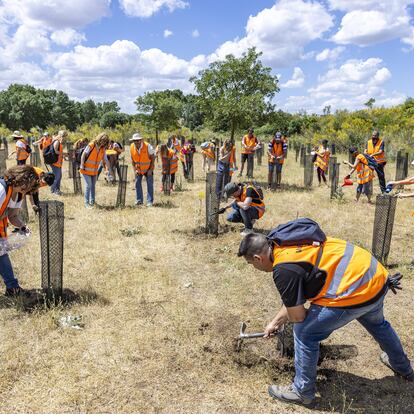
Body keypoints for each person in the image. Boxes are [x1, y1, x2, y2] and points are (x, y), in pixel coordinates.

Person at [237, 220, 413, 408]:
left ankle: (302, 391)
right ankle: (403, 367)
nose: (253, 267)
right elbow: (296, 299)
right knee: (378, 324)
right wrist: (275, 322)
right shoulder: (282, 239)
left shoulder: (283, 269)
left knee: (305, 332)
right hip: (374, 275)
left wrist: (284, 319)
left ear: (258, 258)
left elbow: (297, 316)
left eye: (250, 263)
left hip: (356, 289)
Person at [0, 165, 40, 296]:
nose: (29, 188)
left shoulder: (18, 195)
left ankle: (12, 288)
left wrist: (23, 227)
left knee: (2, 255)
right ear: (20, 178)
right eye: (28, 183)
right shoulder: (2, 190)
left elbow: (13, 216)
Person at [80, 132, 111, 208]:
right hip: (85, 170)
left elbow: (106, 160)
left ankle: (92, 201)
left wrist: (107, 170)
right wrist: (82, 165)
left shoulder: (103, 149)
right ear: (99, 139)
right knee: (88, 185)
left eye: (105, 141)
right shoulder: (92, 145)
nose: (103, 142)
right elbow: (83, 154)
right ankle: (86, 203)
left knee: (93, 186)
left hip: (94, 171)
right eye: (103, 140)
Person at [130, 133, 155, 207]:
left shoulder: (147, 146)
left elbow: (153, 157)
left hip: (148, 169)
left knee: (149, 185)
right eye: (135, 141)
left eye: (138, 140)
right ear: (133, 141)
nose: (137, 142)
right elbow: (132, 160)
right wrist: (135, 170)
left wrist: (150, 169)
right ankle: (139, 200)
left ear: (141, 140)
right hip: (139, 169)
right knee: (137, 184)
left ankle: (149, 201)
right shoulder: (131, 147)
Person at [50, 130, 67, 196]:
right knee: (56, 177)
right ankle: (53, 191)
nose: (65, 138)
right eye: (64, 136)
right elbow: (55, 151)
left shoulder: (59, 142)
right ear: (61, 136)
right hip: (55, 163)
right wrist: (63, 153)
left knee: (59, 177)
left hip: (58, 163)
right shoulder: (56, 141)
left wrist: (64, 154)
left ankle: (57, 190)